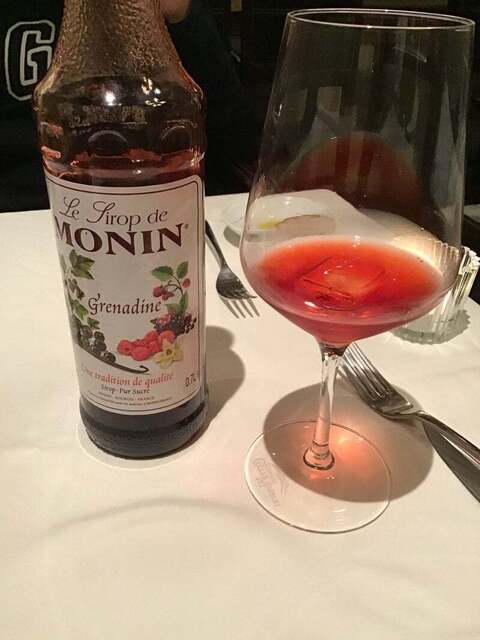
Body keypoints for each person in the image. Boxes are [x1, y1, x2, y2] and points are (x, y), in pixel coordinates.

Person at [0, 0, 259, 212]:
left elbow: (240, 140)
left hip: (171, 205)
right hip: (28, 214)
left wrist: (182, 17)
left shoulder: (164, 16)